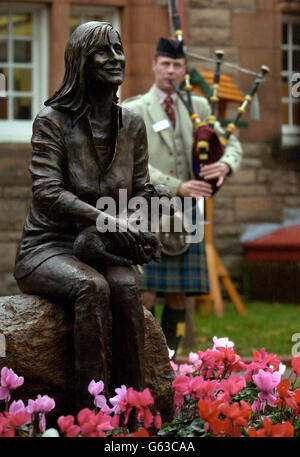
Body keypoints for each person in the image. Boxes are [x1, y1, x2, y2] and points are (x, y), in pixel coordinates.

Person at [14, 21, 159, 411]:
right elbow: (47, 194)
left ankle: (134, 410)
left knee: (127, 289)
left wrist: (146, 225)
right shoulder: (52, 121)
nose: (115, 59)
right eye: (102, 52)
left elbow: (141, 189)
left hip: (101, 245)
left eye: (118, 49)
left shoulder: (131, 124)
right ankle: (88, 415)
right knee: (91, 288)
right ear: (80, 61)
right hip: (48, 247)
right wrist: (109, 221)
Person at [123, 37, 243, 353]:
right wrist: (177, 185)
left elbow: (232, 145)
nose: (171, 71)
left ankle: (169, 357)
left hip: (187, 213)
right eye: (166, 64)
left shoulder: (200, 107)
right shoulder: (134, 110)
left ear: (184, 68)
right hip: (147, 209)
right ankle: (143, 355)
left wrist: (225, 166)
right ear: (154, 65)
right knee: (145, 292)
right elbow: (130, 164)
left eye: (177, 65)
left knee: (178, 294)